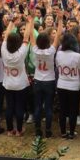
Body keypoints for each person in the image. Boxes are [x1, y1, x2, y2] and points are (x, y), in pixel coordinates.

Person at [31, 10, 63, 138]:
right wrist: (60, 20)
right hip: (49, 81)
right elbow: (58, 34)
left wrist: (31, 20)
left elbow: (31, 37)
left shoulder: (35, 50)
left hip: (38, 81)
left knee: (38, 107)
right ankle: (48, 130)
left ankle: (38, 129)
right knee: (48, 107)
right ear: (49, 40)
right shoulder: (51, 50)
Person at [1, 15, 33, 137]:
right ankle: (19, 130)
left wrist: (12, 22)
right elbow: (26, 37)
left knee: (9, 107)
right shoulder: (21, 52)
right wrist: (29, 22)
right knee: (20, 108)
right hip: (20, 85)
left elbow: (6, 35)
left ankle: (10, 130)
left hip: (8, 84)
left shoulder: (4, 49)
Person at [56, 33, 80, 139]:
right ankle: (71, 133)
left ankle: (63, 132)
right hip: (74, 86)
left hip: (61, 84)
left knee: (62, 109)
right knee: (73, 110)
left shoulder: (58, 54)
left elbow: (58, 67)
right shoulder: (77, 56)